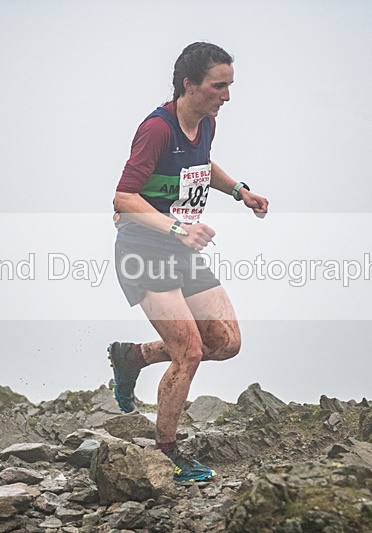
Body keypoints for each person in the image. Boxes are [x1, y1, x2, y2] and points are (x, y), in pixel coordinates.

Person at [110, 42, 269, 482]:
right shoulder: (157, 129)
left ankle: (134, 358)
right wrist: (179, 228)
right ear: (189, 85)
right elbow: (123, 197)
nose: (227, 96)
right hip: (144, 252)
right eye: (219, 86)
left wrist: (239, 191)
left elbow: (201, 165)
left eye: (230, 86)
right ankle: (166, 454)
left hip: (182, 251)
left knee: (225, 342)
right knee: (190, 353)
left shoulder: (207, 123)